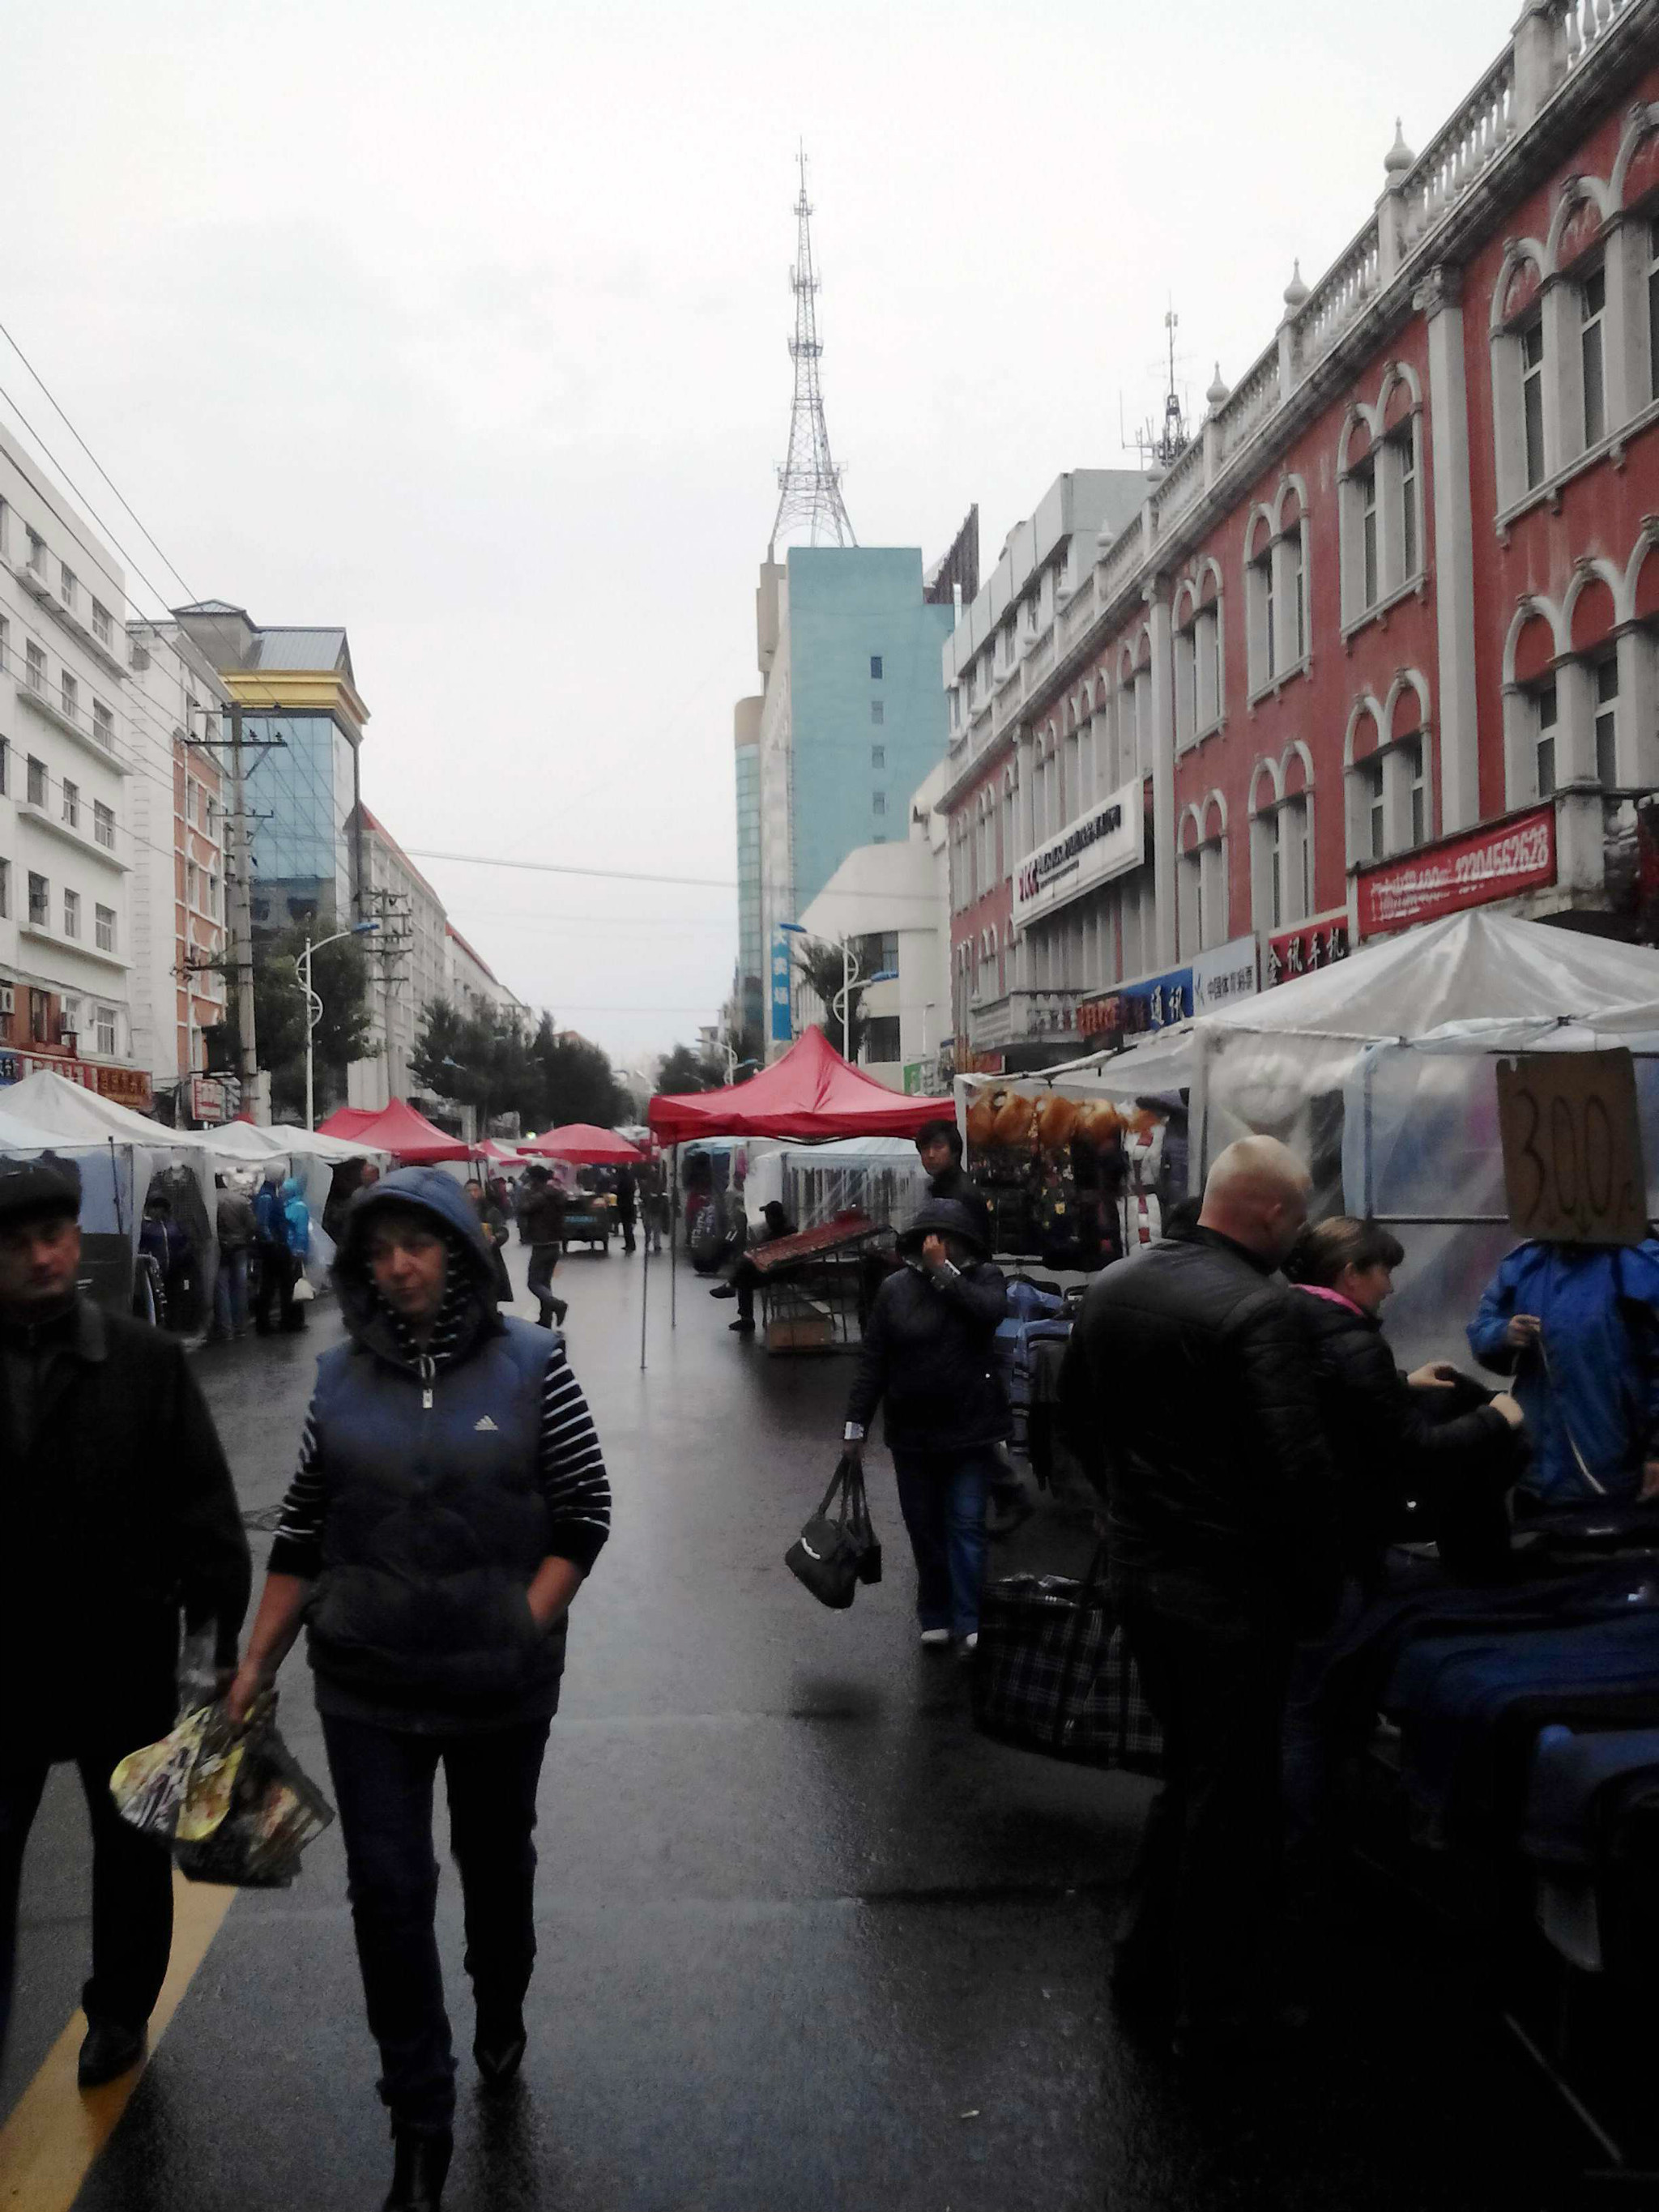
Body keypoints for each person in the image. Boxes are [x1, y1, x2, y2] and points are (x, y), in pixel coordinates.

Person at [228, 1168, 611, 2212]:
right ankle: (418, 2122)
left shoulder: (534, 1362)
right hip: (367, 1681)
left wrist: (519, 1623)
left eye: (419, 1244)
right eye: (379, 1249)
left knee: (494, 1864)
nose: (398, 1266)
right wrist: (254, 1665)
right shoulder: (338, 1378)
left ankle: (500, 1994)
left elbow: (583, 1514)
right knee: (388, 1897)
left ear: (459, 1250)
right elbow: (303, 1531)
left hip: (501, 1683)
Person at [1060, 1136, 1339, 2057]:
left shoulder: (1111, 1286)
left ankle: (1143, 1961)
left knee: (1189, 1777)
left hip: (1145, 1572)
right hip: (1227, 1587)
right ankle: (1210, 2007)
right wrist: (1314, 1591)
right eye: (1294, 1218)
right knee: (1229, 1798)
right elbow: (1296, 1474)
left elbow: (1068, 1423)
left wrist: (1120, 1510)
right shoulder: (1262, 1313)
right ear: (1269, 1213)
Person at [0, 1157, 250, 2088]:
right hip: (5, 1670)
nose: (41, 1255)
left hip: (122, 1658)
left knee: (128, 1855)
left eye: (54, 1236)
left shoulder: (143, 1363)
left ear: (76, 1239)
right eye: (18, 1243)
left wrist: (212, 1650)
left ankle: (120, 2010)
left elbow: (209, 1517)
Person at [1278, 1217, 1526, 1917]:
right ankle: (1305, 1860)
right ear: (1350, 1272)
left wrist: (1397, 1381)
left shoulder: (1292, 1317)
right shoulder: (1349, 1337)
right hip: (1337, 1542)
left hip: (1300, 1538)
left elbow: (1341, 1400)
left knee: (1306, 1702)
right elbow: (1411, 1447)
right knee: (1312, 1710)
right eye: (1382, 1269)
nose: (1391, 1282)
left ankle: (1311, 1844)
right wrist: (1497, 1419)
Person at [842, 1197, 1009, 1651]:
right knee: (925, 1528)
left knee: (967, 1525)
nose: (941, 1246)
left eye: (949, 1240)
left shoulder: (984, 1278)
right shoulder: (895, 1289)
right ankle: (934, 1611)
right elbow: (874, 1362)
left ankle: (968, 1618)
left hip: (969, 1431)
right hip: (912, 1436)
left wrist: (945, 1275)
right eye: (934, 1240)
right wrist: (855, 1427)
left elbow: (989, 1313)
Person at [1469, 1235, 1659, 1507]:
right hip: (1538, 1472)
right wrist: (1503, 1333)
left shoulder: (1639, 1265)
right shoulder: (1525, 1264)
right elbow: (1482, 1326)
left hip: (1616, 1467)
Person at [709, 1200, 795, 1334]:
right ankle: (734, 1295)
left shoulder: (779, 1234)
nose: (766, 1220)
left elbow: (760, 1251)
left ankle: (732, 1292)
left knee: (745, 1270)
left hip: (778, 1271)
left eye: (768, 1217)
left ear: (773, 1217)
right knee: (744, 1274)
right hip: (775, 1268)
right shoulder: (785, 1230)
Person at [914, 1119, 993, 1252]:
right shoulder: (939, 1188)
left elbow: (970, 1251)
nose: (930, 1155)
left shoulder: (962, 1194)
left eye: (938, 1147)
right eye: (925, 1148)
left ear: (955, 1152)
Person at [254, 1166, 310, 1336]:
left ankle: (275, 1321)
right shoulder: (267, 1196)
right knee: (280, 1285)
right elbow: (263, 1224)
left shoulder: (269, 1194)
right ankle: (282, 1321)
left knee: (273, 1285)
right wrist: (274, 1243)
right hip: (276, 1247)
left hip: (275, 1245)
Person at [519, 1166, 568, 1330]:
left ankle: (558, 1305)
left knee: (533, 1283)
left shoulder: (539, 1196)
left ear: (534, 1179)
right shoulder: (555, 1193)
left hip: (541, 1244)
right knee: (544, 1283)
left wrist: (525, 1193)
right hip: (554, 1244)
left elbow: (523, 1209)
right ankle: (545, 1319)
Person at [211, 1172, 256, 1340]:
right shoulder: (240, 1200)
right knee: (240, 1287)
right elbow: (252, 1225)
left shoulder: (210, 1201)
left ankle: (226, 1329)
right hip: (240, 1248)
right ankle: (241, 1326)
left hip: (220, 1248)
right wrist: (243, 1237)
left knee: (222, 1288)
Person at [465, 1178, 514, 1306]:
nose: (472, 1194)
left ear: (481, 1191)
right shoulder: (460, 1211)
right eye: (469, 1191)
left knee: (490, 1297)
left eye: (475, 1190)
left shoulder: (491, 1211)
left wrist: (495, 1238)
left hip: (489, 1259)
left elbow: (503, 1230)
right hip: (468, 1261)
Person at [614, 1164, 638, 1257]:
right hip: (629, 1204)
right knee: (627, 1225)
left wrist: (616, 1189)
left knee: (626, 1225)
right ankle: (630, 1244)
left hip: (625, 1205)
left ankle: (630, 1244)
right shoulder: (630, 1178)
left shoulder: (624, 1179)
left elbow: (621, 1190)